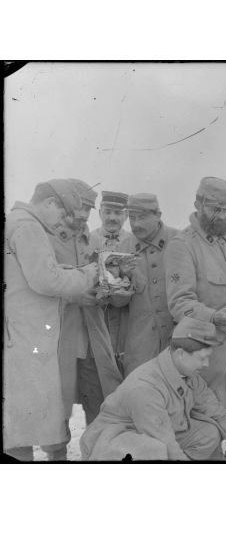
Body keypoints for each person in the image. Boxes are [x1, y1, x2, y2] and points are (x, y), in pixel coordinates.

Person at [80, 317, 226, 460]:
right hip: (112, 442)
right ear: (181, 353)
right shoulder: (145, 387)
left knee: (209, 431)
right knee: (155, 450)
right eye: (202, 358)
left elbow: (217, 413)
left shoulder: (188, 374)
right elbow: (165, 442)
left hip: (151, 434)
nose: (206, 364)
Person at [4, 179, 98, 461]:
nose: (63, 220)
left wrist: (66, 269)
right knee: (33, 421)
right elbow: (47, 281)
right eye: (62, 212)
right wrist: (87, 275)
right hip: (30, 337)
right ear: (50, 203)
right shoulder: (29, 227)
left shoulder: (15, 221)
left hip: (19, 334)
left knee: (19, 422)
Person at [41, 179, 122, 461]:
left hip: (92, 336)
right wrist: (77, 296)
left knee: (99, 400)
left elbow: (103, 279)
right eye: (80, 207)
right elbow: (42, 286)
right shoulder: (46, 239)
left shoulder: (95, 240)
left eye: (89, 209)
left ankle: (97, 458)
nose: (84, 215)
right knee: (57, 405)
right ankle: (57, 459)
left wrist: (104, 291)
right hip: (61, 335)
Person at [165, 177, 226, 407]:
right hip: (203, 351)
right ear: (198, 204)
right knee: (205, 419)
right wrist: (213, 317)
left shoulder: (223, 238)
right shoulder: (182, 245)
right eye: (217, 209)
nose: (223, 216)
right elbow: (180, 304)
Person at [117, 193, 179, 376]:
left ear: (158, 215)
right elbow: (116, 303)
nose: (136, 224)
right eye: (132, 218)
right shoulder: (120, 249)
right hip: (140, 351)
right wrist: (122, 278)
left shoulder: (180, 241)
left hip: (178, 345)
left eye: (142, 217)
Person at [91, 190, 133, 356]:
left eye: (118, 213)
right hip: (96, 315)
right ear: (100, 213)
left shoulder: (133, 242)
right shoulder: (88, 239)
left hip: (125, 318)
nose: (112, 218)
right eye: (107, 212)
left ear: (127, 215)